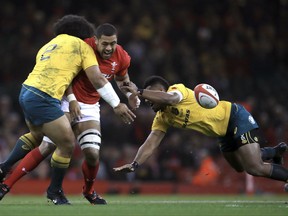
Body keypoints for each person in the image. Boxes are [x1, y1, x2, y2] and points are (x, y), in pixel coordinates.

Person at [0, 15, 136, 205]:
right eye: (104, 43)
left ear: (117, 42)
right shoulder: (84, 46)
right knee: (52, 145)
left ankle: (88, 191)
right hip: (62, 100)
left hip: (88, 105)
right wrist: (76, 99)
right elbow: (78, 76)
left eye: (112, 43)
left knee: (92, 153)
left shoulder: (121, 56)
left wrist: (131, 94)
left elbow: (123, 80)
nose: (108, 48)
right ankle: (21, 186)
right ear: (94, 39)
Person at [113, 75, 288, 191]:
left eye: (151, 97)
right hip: (222, 133)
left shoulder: (177, 90)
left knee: (254, 167)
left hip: (234, 117)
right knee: (239, 167)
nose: (148, 102)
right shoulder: (162, 118)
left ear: (159, 92)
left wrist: (140, 92)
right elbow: (151, 143)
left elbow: (170, 98)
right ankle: (273, 152)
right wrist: (135, 164)